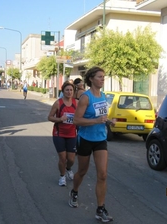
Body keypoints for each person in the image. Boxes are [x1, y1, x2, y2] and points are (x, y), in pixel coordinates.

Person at [69, 66, 115, 222]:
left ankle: (100, 208)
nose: (103, 79)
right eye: (100, 77)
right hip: (85, 139)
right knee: (82, 171)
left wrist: (109, 121)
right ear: (91, 79)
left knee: (102, 174)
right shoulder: (85, 98)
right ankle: (74, 191)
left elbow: (102, 116)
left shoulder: (103, 96)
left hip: (100, 139)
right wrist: (95, 121)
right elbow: (76, 120)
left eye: (104, 76)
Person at [47, 81, 77, 186]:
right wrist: (60, 119)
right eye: (67, 90)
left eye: (71, 90)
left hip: (72, 134)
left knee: (71, 159)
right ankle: (62, 176)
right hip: (59, 134)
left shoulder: (76, 103)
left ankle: (68, 168)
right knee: (63, 157)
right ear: (63, 91)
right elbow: (50, 117)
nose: (69, 92)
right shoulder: (58, 103)